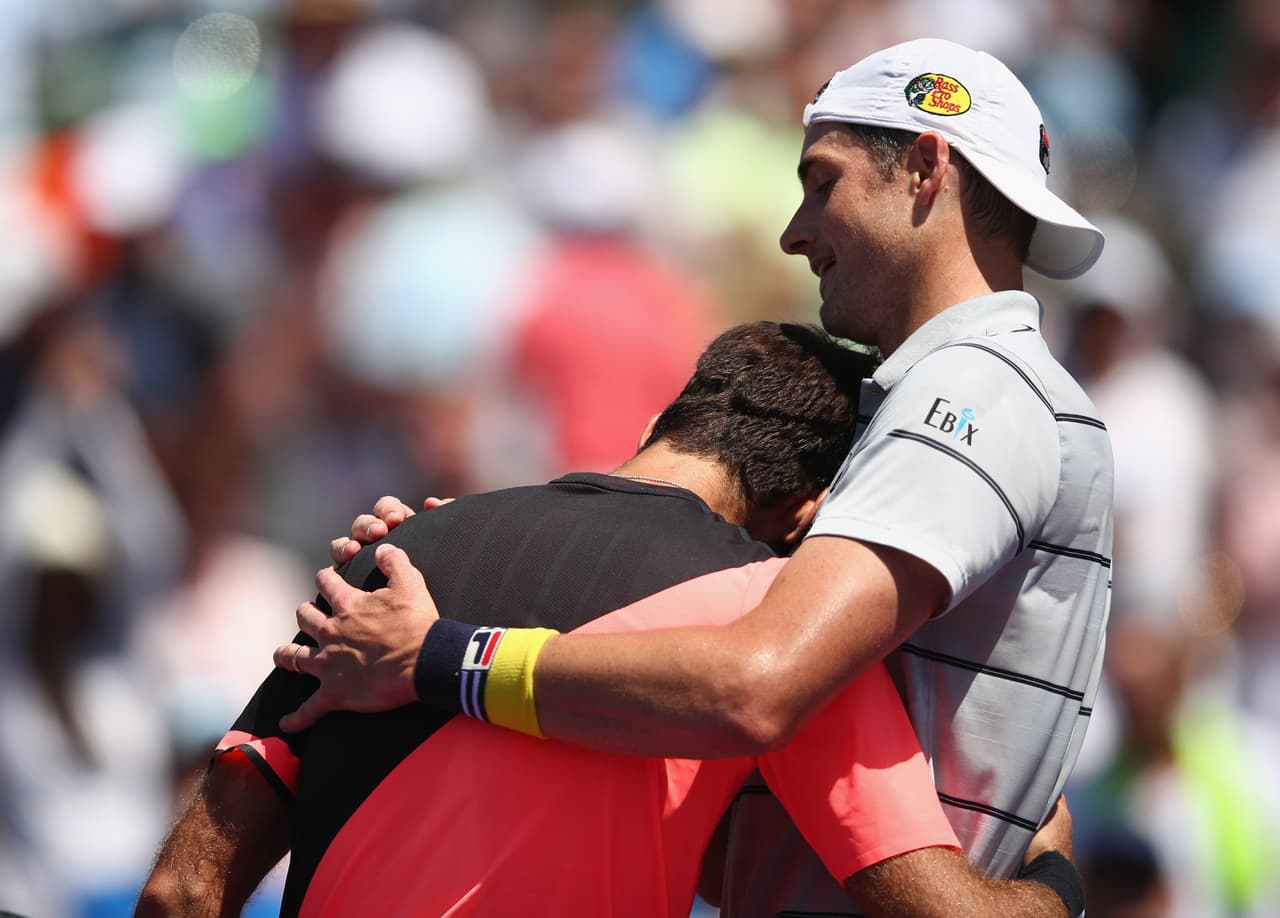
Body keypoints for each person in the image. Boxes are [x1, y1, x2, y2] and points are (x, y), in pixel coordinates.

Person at [279, 37, 1112, 916]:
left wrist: (440, 654)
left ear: (925, 166)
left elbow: (755, 685)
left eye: (822, 183)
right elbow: (770, 809)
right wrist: (509, 568)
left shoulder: (974, 383)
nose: (795, 233)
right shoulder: (979, 388)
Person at [136, 322, 1078, 917]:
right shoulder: (779, 627)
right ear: (811, 514)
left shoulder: (394, 564)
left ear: (662, 426)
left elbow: (182, 889)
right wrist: (1054, 873)